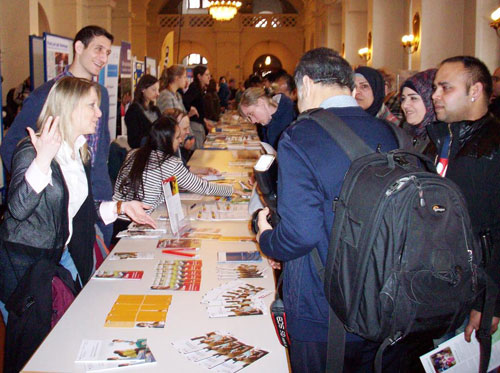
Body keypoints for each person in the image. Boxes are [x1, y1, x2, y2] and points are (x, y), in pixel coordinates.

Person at [256, 48, 402, 372]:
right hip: (379, 299)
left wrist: (266, 236)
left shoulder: (300, 135)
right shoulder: (387, 131)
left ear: (305, 83)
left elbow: (301, 233)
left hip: (323, 308)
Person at [0, 77, 156, 324]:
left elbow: (79, 210)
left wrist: (120, 207)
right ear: (69, 107)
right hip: (24, 267)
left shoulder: (80, 152)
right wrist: (42, 161)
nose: (99, 113)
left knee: (77, 319)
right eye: (92, 106)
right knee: (32, 347)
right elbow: (18, 209)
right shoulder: (31, 150)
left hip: (60, 255)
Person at [0, 25, 115, 245]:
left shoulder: (102, 95)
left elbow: (100, 151)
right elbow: (10, 146)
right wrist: (38, 192)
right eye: (98, 49)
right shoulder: (46, 94)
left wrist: (103, 191)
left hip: (96, 199)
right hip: (59, 212)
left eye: (107, 52)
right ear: (79, 47)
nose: (103, 57)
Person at [426, 56, 500, 343]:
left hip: (476, 292)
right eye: (435, 87)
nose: (435, 95)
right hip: (438, 287)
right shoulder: (440, 138)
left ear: (475, 91)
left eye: (445, 88)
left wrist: (489, 302)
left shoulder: (493, 146)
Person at [114, 115, 235, 212]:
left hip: (118, 216)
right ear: (167, 140)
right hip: (140, 220)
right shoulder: (170, 163)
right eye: (177, 138)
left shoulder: (133, 153)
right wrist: (231, 190)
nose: (181, 140)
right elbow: (202, 187)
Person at [157, 64, 205, 149]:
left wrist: (191, 135)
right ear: (177, 78)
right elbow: (169, 122)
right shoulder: (165, 95)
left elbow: (183, 118)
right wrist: (184, 140)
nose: (186, 80)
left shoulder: (178, 95)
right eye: (184, 77)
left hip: (183, 138)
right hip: (174, 142)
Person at [399, 68, 437, 153]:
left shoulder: (440, 142)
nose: (404, 105)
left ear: (430, 101)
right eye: (403, 99)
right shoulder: (403, 133)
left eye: (413, 98)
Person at [125, 74, 161, 149]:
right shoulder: (133, 111)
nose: (157, 93)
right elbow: (133, 141)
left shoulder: (156, 110)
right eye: (154, 90)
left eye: (158, 90)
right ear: (143, 89)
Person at [183, 65, 215, 133]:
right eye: (206, 75)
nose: (209, 77)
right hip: (195, 125)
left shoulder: (200, 88)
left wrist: (204, 119)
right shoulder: (195, 88)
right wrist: (191, 109)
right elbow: (185, 101)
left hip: (200, 123)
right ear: (199, 76)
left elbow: (199, 108)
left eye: (209, 75)